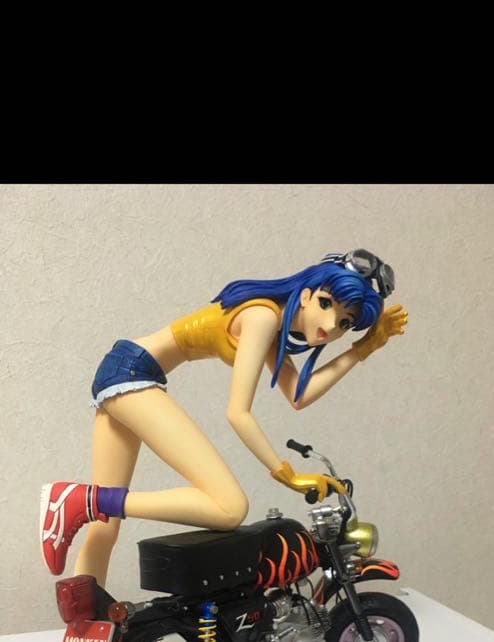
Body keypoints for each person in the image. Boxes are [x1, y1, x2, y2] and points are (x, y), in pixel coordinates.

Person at [40, 249, 408, 587]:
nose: (330, 325)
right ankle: (81, 499)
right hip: (132, 373)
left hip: (124, 369)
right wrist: (287, 474)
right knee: (229, 507)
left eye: (344, 322)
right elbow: (238, 413)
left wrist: (364, 348)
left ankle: (84, 622)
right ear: (307, 294)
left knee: (104, 524)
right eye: (326, 304)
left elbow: (299, 395)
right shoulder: (262, 317)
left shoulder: (272, 326)